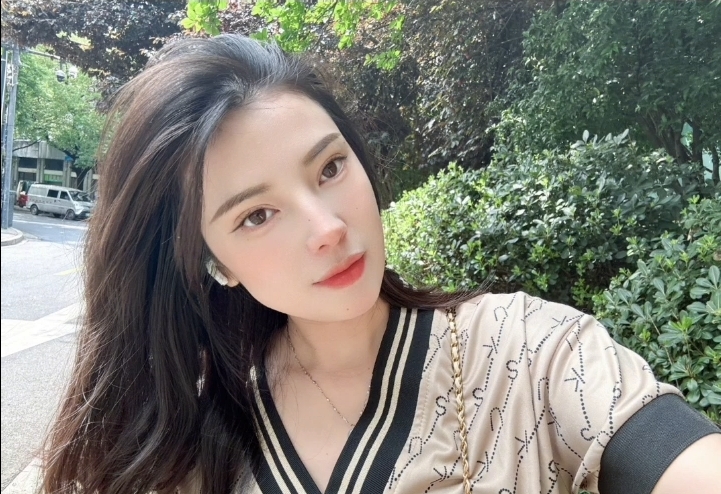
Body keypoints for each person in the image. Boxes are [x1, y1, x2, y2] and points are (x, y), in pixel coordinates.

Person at [41, 34, 719, 494]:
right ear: (212, 262)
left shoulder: (527, 351)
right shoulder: (187, 444)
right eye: (257, 215)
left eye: (330, 168)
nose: (328, 228)